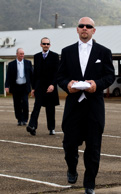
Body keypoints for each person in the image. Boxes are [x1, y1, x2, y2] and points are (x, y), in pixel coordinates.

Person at [57, 17, 115, 194]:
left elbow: (110, 76)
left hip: (94, 107)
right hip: (73, 105)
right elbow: (60, 76)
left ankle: (90, 183)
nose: (84, 28)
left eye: (88, 26)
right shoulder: (67, 52)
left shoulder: (104, 52)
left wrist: (97, 84)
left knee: (94, 146)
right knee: (69, 143)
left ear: (93, 31)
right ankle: (72, 167)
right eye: (81, 26)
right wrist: (67, 85)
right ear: (77, 29)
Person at [26, 37, 59, 136]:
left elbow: (57, 72)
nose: (46, 45)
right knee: (36, 107)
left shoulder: (55, 56)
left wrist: (53, 84)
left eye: (47, 44)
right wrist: (34, 88)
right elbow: (35, 74)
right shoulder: (36, 56)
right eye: (44, 44)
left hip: (50, 87)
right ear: (41, 45)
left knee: (50, 109)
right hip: (39, 86)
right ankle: (32, 126)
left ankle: (51, 128)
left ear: (50, 45)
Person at [5, 48, 33, 126]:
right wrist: (7, 86)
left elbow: (31, 75)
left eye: (23, 54)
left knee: (25, 103)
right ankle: (19, 119)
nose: (22, 55)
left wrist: (33, 87)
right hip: (15, 87)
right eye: (20, 54)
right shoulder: (11, 64)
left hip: (24, 86)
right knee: (17, 104)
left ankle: (25, 119)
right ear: (17, 54)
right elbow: (8, 76)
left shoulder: (28, 63)